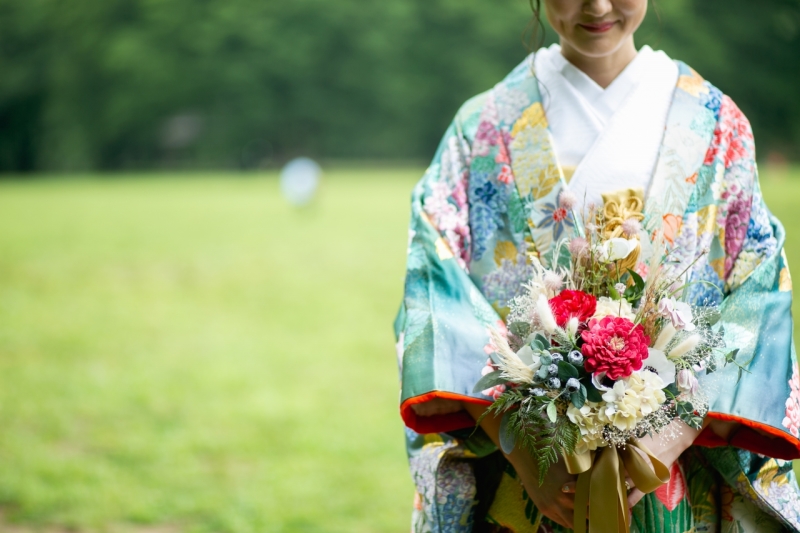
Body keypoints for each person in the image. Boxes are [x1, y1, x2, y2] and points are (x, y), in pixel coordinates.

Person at [394, 0, 800, 531]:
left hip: (680, 475)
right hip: (531, 477)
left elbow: (759, 291)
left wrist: (664, 439)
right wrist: (519, 446)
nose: (600, 6)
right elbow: (435, 288)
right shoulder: (485, 126)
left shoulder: (716, 123)